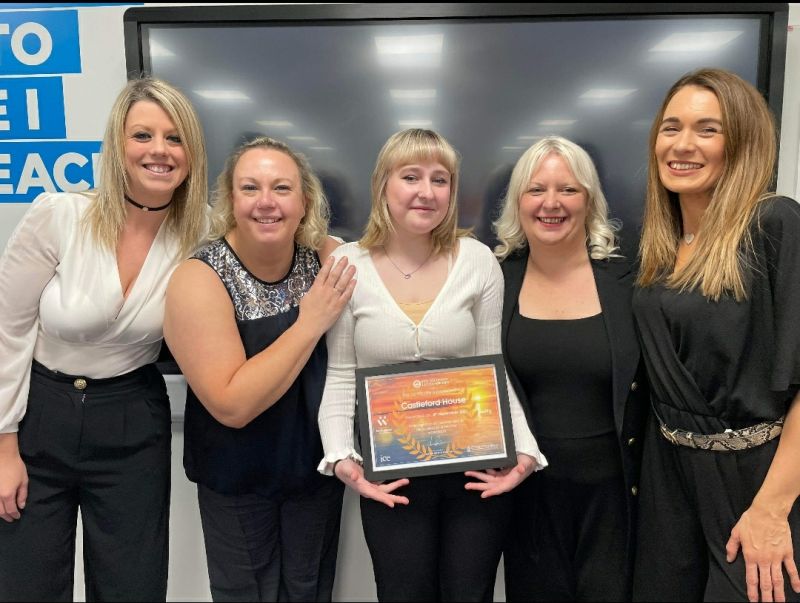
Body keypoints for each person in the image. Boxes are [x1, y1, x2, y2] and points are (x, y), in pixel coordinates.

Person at [316, 128, 547, 602]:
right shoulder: (347, 264)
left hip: (474, 471)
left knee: (470, 593)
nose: (426, 191)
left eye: (440, 179)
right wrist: (341, 457)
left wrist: (525, 450)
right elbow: (340, 375)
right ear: (383, 184)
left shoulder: (477, 261)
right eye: (410, 176)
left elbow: (493, 369)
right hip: (391, 474)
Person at [0, 77, 207, 601]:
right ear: (117, 144)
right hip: (39, 417)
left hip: (132, 417)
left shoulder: (203, 232)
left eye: (175, 138)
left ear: (192, 155)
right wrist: (3, 447)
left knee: (132, 586)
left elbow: (279, 235)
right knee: (25, 583)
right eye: (142, 135)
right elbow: (8, 329)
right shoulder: (60, 215)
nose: (159, 150)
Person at [633, 67, 800, 602]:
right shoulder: (658, 247)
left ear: (743, 142)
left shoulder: (775, 224)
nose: (682, 145)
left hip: (756, 479)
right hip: (667, 476)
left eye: (708, 129)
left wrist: (772, 509)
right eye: (671, 127)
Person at [163, 136, 355, 602]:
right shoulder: (199, 278)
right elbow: (232, 405)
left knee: (310, 591)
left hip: (315, 473)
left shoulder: (329, 258)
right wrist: (310, 322)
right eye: (250, 188)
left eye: (282, 188)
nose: (266, 202)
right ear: (230, 200)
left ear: (305, 202)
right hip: (237, 481)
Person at [492, 136, 648, 601]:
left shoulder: (632, 283)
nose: (551, 203)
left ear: (590, 200)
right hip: (527, 497)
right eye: (536, 189)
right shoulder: (493, 282)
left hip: (616, 499)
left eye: (568, 189)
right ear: (518, 202)